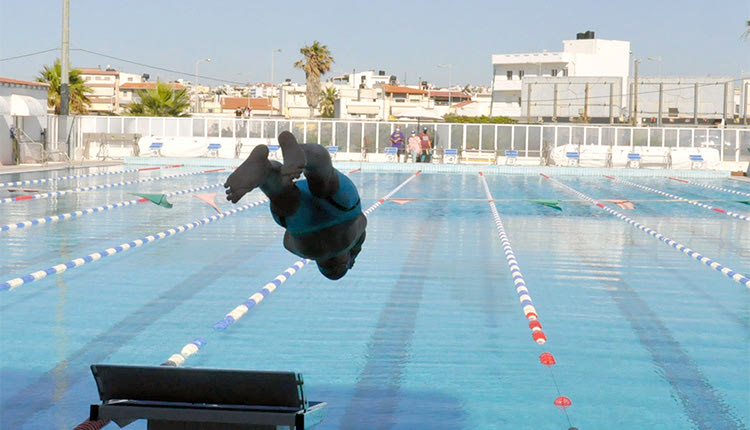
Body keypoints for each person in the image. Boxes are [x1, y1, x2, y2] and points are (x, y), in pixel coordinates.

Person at [224, 131, 366, 280]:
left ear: (346, 260)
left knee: (326, 182)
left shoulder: (350, 239)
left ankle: (304, 154)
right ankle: (266, 174)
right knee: (285, 201)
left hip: (341, 214)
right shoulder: (301, 251)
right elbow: (287, 240)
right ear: (320, 264)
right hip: (304, 236)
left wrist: (355, 251)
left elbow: (361, 220)